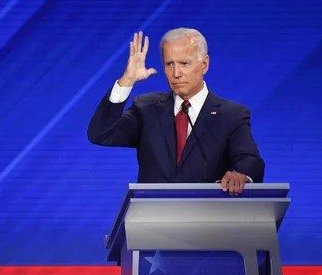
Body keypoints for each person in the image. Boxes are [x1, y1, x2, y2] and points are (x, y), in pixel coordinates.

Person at [88, 28, 264, 193]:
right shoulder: (146, 108)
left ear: (204, 64)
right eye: (169, 64)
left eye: (184, 63)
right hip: (152, 220)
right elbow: (101, 135)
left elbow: (250, 160)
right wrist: (126, 81)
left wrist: (241, 176)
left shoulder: (231, 114)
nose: (176, 73)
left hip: (205, 217)